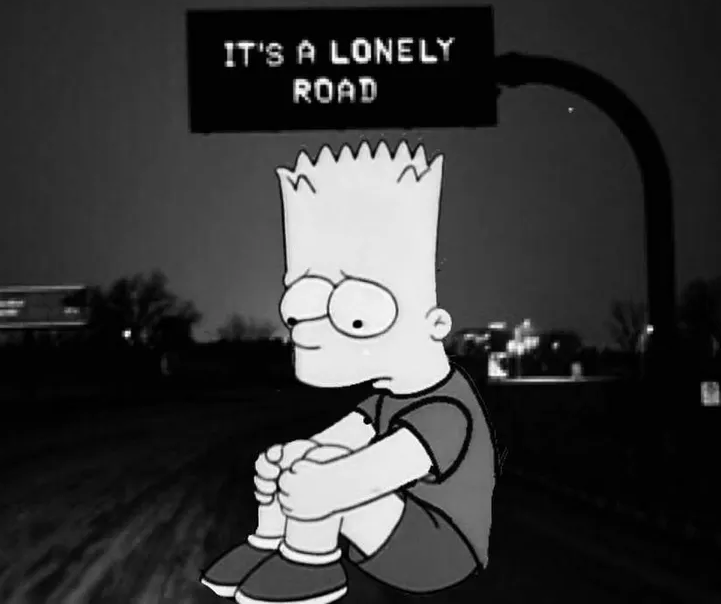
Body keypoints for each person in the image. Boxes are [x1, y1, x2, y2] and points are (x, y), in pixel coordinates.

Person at [200, 140, 499, 604]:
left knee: (321, 473)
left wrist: (313, 479)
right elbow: (335, 440)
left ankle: (309, 564)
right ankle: (268, 544)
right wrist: (284, 461)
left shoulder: (446, 410)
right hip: (394, 530)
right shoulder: (384, 399)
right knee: (302, 460)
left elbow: (369, 474)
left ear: (435, 325)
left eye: (356, 320)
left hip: (439, 553)